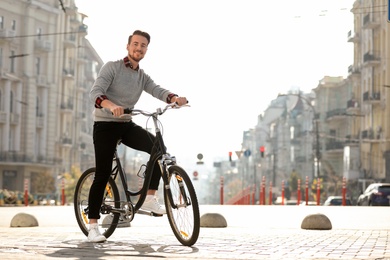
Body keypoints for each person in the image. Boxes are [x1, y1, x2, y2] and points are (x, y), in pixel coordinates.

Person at [87, 30, 188, 242]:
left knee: (159, 149)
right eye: (135, 44)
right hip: (105, 124)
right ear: (127, 46)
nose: (138, 48)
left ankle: (150, 197)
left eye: (143, 46)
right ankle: (93, 226)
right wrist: (111, 105)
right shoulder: (112, 67)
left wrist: (174, 98)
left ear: (146, 50)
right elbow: (96, 93)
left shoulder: (141, 76)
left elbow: (157, 90)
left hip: (125, 124)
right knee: (103, 173)